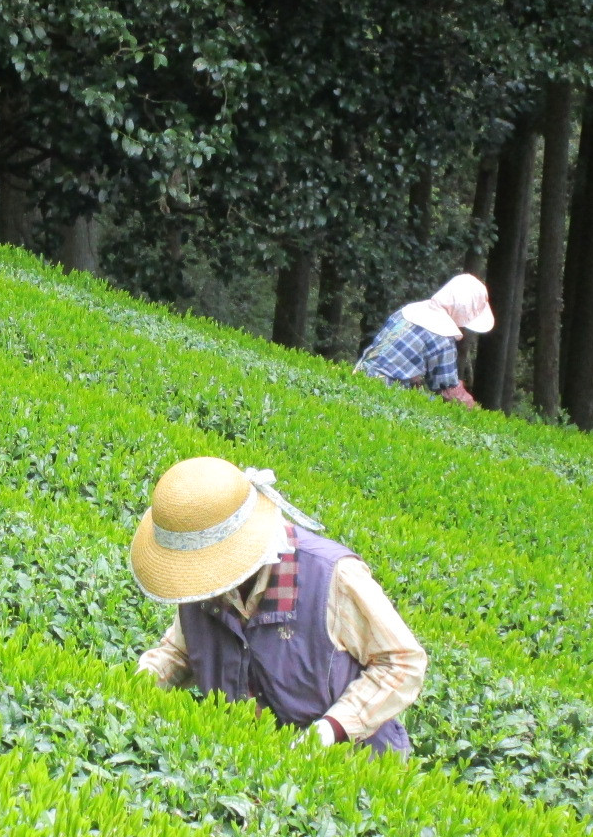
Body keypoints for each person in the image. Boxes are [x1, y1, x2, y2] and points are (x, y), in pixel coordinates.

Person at [131, 456, 425, 754]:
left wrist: (330, 730)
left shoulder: (332, 575)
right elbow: (180, 651)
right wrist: (134, 687)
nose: (196, 575)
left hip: (351, 768)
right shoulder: (196, 583)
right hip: (250, 762)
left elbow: (402, 662)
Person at [355, 273, 493, 405]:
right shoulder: (442, 335)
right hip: (385, 390)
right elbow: (449, 393)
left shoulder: (407, 311)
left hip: (359, 375)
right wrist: (471, 406)